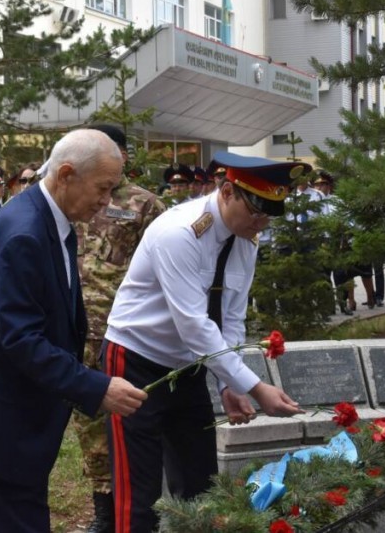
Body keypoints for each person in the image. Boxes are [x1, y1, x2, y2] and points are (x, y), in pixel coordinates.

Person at [0, 129, 147, 533]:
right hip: (2, 420)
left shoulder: (51, 218)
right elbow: (21, 339)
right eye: (103, 188)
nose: (107, 201)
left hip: (19, 413)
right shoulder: (26, 233)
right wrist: (96, 387)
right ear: (66, 174)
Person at [104, 152, 303, 533]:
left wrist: (229, 384)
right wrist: (256, 387)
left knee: (200, 486)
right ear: (227, 192)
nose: (261, 223)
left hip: (189, 366)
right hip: (136, 360)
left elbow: (231, 317)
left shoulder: (245, 239)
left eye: (269, 216)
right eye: (256, 212)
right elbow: (194, 325)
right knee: (139, 493)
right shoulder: (180, 232)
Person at [71, 124, 165, 533]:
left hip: (124, 336)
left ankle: (142, 508)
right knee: (88, 424)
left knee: (131, 422)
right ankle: (104, 513)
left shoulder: (146, 206)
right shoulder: (73, 199)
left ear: (122, 155)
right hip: (77, 330)